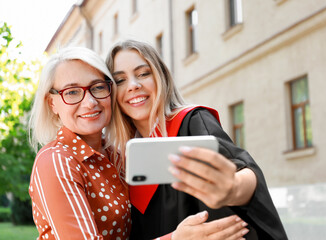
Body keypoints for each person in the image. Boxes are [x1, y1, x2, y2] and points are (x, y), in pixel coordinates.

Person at [105, 40, 288, 240]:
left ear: (161, 77)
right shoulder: (118, 159)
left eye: (143, 74)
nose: (133, 86)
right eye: (120, 80)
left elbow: (240, 172)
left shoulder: (191, 123)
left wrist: (233, 188)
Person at [28, 46, 131, 240]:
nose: (90, 102)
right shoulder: (56, 161)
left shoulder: (115, 155)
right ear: (52, 103)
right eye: (72, 92)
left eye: (98, 87)